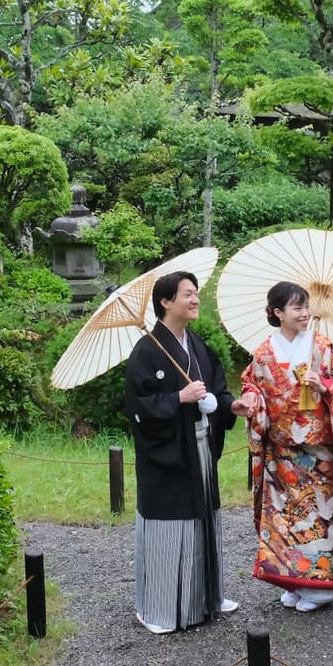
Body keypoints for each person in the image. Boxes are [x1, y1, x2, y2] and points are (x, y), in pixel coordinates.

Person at [125, 270, 254, 634]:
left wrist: (230, 407)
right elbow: (138, 406)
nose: (195, 300)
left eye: (196, 293)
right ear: (166, 301)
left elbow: (215, 387)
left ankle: (208, 596)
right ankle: (161, 609)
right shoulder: (147, 350)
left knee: (206, 520)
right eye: (187, 294)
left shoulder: (195, 344)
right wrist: (177, 398)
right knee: (173, 525)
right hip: (167, 456)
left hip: (199, 448)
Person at [238, 281, 333, 612]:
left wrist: (323, 384)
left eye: (306, 306)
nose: (304, 313)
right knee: (284, 518)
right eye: (296, 307)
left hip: (320, 453)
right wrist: (252, 397)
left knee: (322, 518)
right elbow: (252, 382)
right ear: (278, 313)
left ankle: (324, 588)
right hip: (281, 453)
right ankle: (293, 580)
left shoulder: (322, 346)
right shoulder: (265, 352)